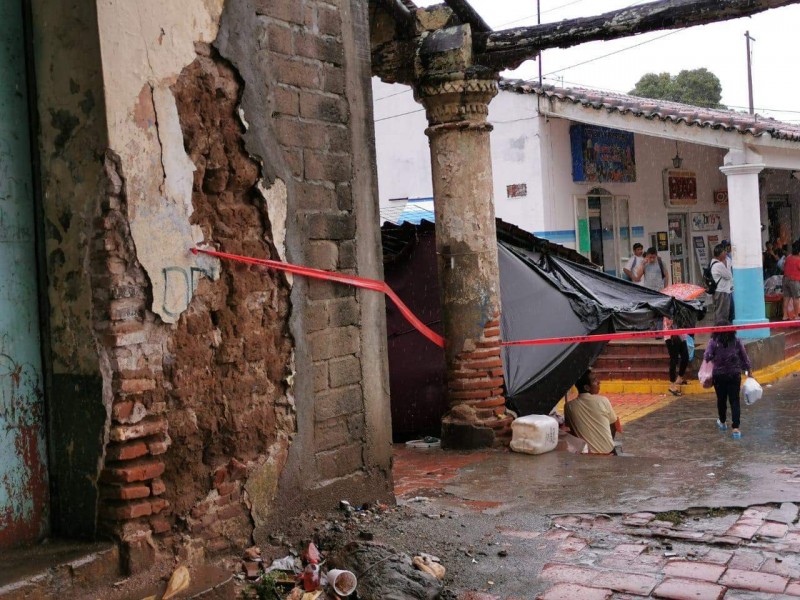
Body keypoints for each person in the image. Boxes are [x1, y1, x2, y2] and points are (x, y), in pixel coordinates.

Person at [704, 320, 752, 439]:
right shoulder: (736, 341)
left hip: (719, 376)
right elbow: (744, 358)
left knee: (721, 400)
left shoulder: (713, 342)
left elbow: (707, 356)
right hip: (734, 375)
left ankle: (723, 422)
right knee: (735, 401)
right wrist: (749, 372)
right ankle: (736, 428)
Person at [565, 369, 622, 455]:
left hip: (585, 455)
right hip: (607, 452)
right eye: (595, 380)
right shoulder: (603, 401)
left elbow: (571, 429)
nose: (599, 382)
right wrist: (607, 445)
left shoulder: (569, 406)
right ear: (586, 387)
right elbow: (613, 425)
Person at [664, 317, 688, 396]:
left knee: (685, 357)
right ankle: (672, 385)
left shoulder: (683, 307)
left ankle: (679, 378)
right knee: (674, 359)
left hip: (681, 334)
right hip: (671, 336)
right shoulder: (670, 307)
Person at [710, 243, 733, 324]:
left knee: (722, 313)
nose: (726, 254)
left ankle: (721, 331)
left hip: (721, 291)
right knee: (722, 314)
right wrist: (725, 264)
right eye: (724, 252)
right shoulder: (718, 265)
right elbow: (729, 275)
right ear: (720, 253)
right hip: (722, 292)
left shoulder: (714, 262)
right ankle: (720, 332)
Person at [782, 240, 800, 320]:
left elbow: (784, 267)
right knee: (796, 298)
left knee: (786, 298)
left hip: (785, 279)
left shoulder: (788, 257)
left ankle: (784, 316)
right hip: (794, 280)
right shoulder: (798, 259)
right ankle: (796, 316)